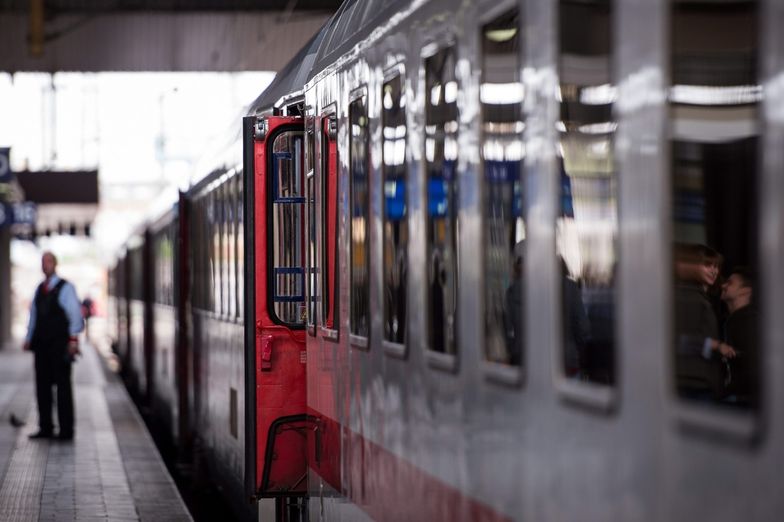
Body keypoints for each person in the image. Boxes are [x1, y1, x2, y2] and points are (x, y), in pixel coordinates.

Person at [23, 251, 84, 440]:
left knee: (63, 387)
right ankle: (45, 427)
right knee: (42, 386)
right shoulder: (39, 289)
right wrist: (28, 337)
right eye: (43, 262)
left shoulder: (66, 288)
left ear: (55, 264)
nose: (45, 265)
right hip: (41, 345)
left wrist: (73, 340)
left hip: (60, 345)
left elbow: (75, 314)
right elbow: (33, 316)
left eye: (48, 262)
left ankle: (66, 430)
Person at [673, 243, 731, 400]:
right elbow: (675, 341)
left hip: (695, 381)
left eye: (716, 266)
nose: (714, 271)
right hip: (693, 382)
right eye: (707, 265)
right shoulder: (687, 297)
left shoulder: (697, 297)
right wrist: (716, 346)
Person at [717, 266, 758, 405]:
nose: (723, 285)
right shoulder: (736, 319)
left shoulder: (747, 320)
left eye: (730, 283)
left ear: (745, 291)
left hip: (744, 400)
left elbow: (752, 363)